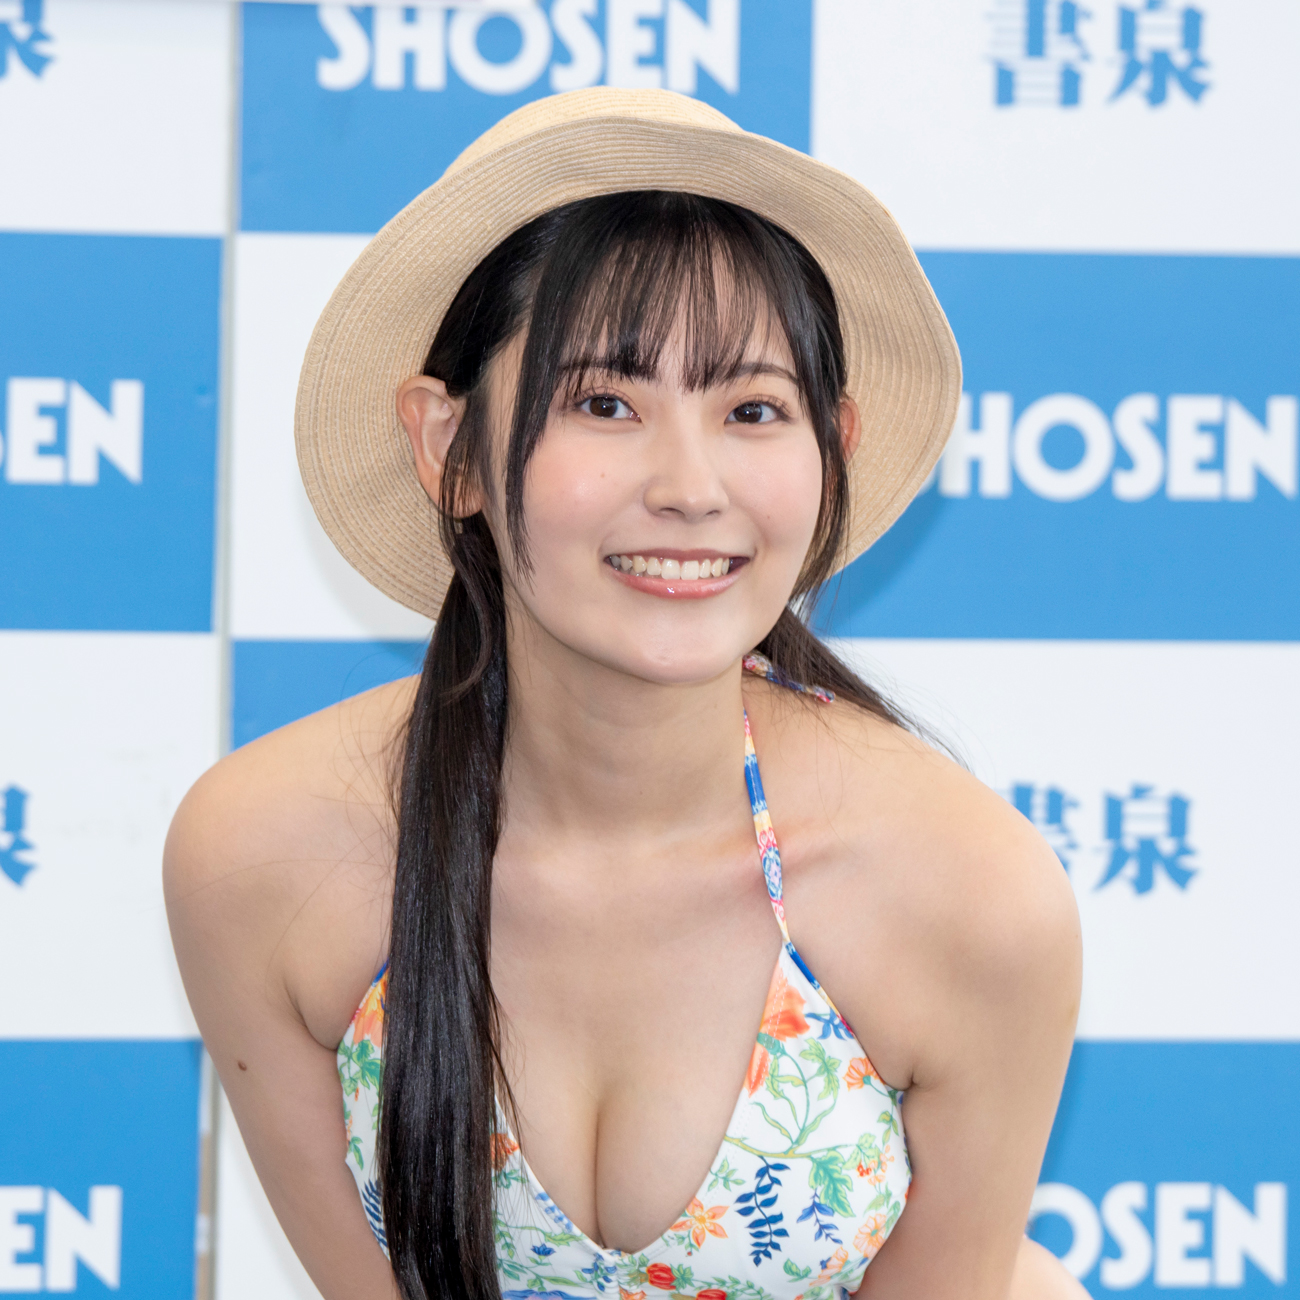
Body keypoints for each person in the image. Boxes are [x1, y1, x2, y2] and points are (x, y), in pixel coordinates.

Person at [165, 90, 1085, 1300]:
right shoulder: (259, 856)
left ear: (833, 448)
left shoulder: (970, 894)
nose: (690, 486)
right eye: (605, 403)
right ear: (448, 448)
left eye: (752, 410)